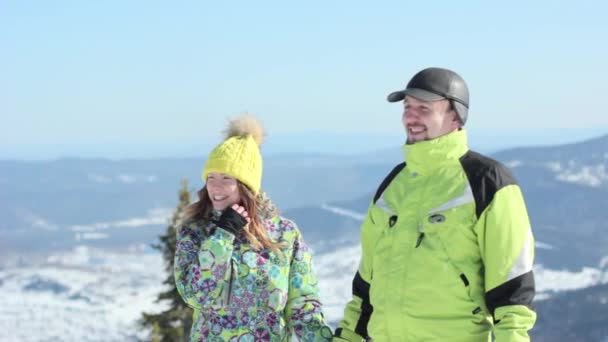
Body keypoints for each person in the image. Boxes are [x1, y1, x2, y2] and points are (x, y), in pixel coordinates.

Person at [334, 67, 536, 341]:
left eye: (424, 108)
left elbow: (512, 288)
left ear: (456, 116)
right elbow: (365, 288)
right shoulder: (394, 184)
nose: (410, 116)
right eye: (407, 107)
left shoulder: (487, 181)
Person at [175, 115, 333, 341]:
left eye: (226, 178)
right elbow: (196, 295)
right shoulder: (196, 231)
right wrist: (222, 236)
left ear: (247, 185)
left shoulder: (285, 233)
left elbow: (303, 306)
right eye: (211, 177)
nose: (215, 186)